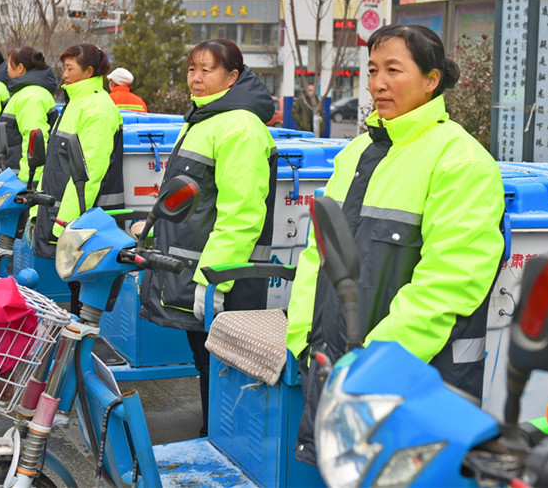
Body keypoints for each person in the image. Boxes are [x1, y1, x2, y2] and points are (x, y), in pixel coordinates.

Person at [285, 24, 505, 465]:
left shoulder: (460, 161)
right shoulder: (357, 152)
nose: (378, 83)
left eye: (393, 70)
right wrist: (302, 338)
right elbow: (318, 254)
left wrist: (369, 366)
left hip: (407, 378)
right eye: (371, 70)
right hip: (338, 365)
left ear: (431, 80)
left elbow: (448, 284)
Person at [139, 39, 278, 437]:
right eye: (192, 69)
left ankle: (224, 440)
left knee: (222, 367)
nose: (196, 79)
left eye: (208, 70)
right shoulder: (205, 119)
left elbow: (242, 212)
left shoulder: (240, 127)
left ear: (232, 77)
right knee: (205, 363)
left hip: (218, 278)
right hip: (191, 266)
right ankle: (213, 433)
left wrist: (214, 279)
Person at [31, 44, 124, 261]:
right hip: (60, 218)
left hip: (78, 228)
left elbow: (89, 175)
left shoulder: (98, 109)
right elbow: (55, 164)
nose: (64, 75)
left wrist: (64, 228)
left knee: (77, 290)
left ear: (88, 72)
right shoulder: (76, 103)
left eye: (69, 69)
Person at [0, 46, 59, 185]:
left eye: (9, 64)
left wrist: (28, 181)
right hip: (16, 175)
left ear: (20, 68)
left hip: (20, 180)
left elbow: (34, 141)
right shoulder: (26, 92)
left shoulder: (31, 96)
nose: (6, 69)